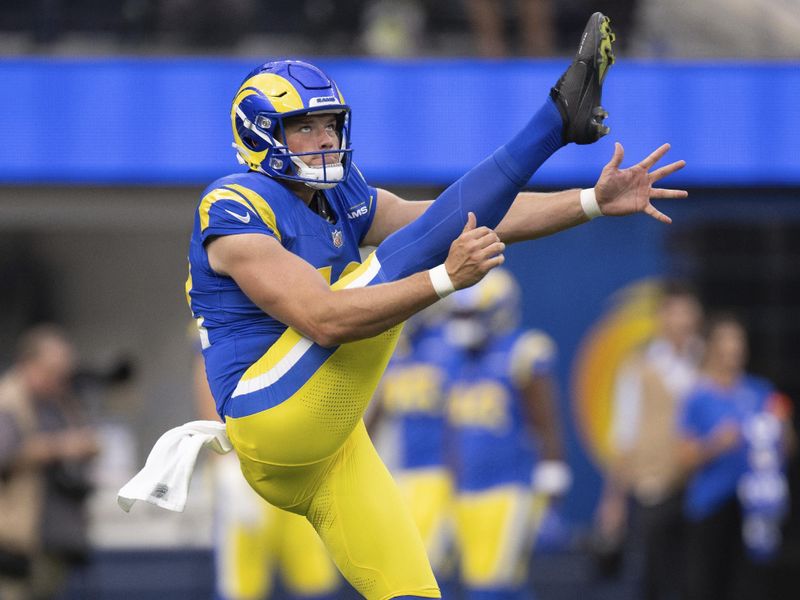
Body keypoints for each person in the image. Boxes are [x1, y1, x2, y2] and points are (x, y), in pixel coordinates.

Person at [186, 12, 686, 599]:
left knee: (416, 594)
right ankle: (554, 120)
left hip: (335, 444)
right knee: (393, 263)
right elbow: (324, 318)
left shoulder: (340, 194)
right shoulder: (233, 207)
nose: (325, 139)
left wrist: (588, 202)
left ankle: (558, 122)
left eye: (330, 124)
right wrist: (444, 282)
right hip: (269, 417)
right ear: (260, 132)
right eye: (306, 127)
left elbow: (454, 220)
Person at [443, 268, 569, 599]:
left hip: (510, 488)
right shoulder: (456, 360)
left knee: (490, 588)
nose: (463, 324)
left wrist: (551, 498)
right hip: (466, 491)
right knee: (493, 585)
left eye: (471, 314)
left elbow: (547, 425)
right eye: (459, 314)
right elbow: (453, 432)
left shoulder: (522, 351)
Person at [193, 352, 341, 600]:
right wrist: (224, 458)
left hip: (301, 463)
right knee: (243, 585)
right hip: (248, 464)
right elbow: (208, 365)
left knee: (314, 578)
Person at [595, 281, 703, 600]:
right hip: (653, 486)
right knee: (656, 579)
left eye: (689, 314)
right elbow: (624, 432)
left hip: (701, 488)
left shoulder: (706, 363)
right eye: (677, 314)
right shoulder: (639, 367)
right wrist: (613, 499)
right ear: (662, 317)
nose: (684, 322)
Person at [678, 314, 793, 600]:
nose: (734, 348)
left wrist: (783, 428)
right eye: (727, 340)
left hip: (753, 509)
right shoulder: (698, 396)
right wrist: (715, 444)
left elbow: (786, 449)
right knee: (705, 586)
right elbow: (682, 456)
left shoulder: (760, 391)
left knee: (749, 586)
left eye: (738, 340)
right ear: (712, 346)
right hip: (711, 506)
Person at [0, 325, 100, 600]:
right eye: (51, 371)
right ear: (28, 363)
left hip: (54, 542)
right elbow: (6, 454)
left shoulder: (62, 401)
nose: (59, 379)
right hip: (15, 544)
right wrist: (61, 447)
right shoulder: (9, 400)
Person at [368, 308, 457, 585]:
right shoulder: (397, 352)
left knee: (433, 570)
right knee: (402, 572)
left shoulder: (450, 345)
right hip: (403, 474)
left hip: (443, 474)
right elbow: (377, 415)